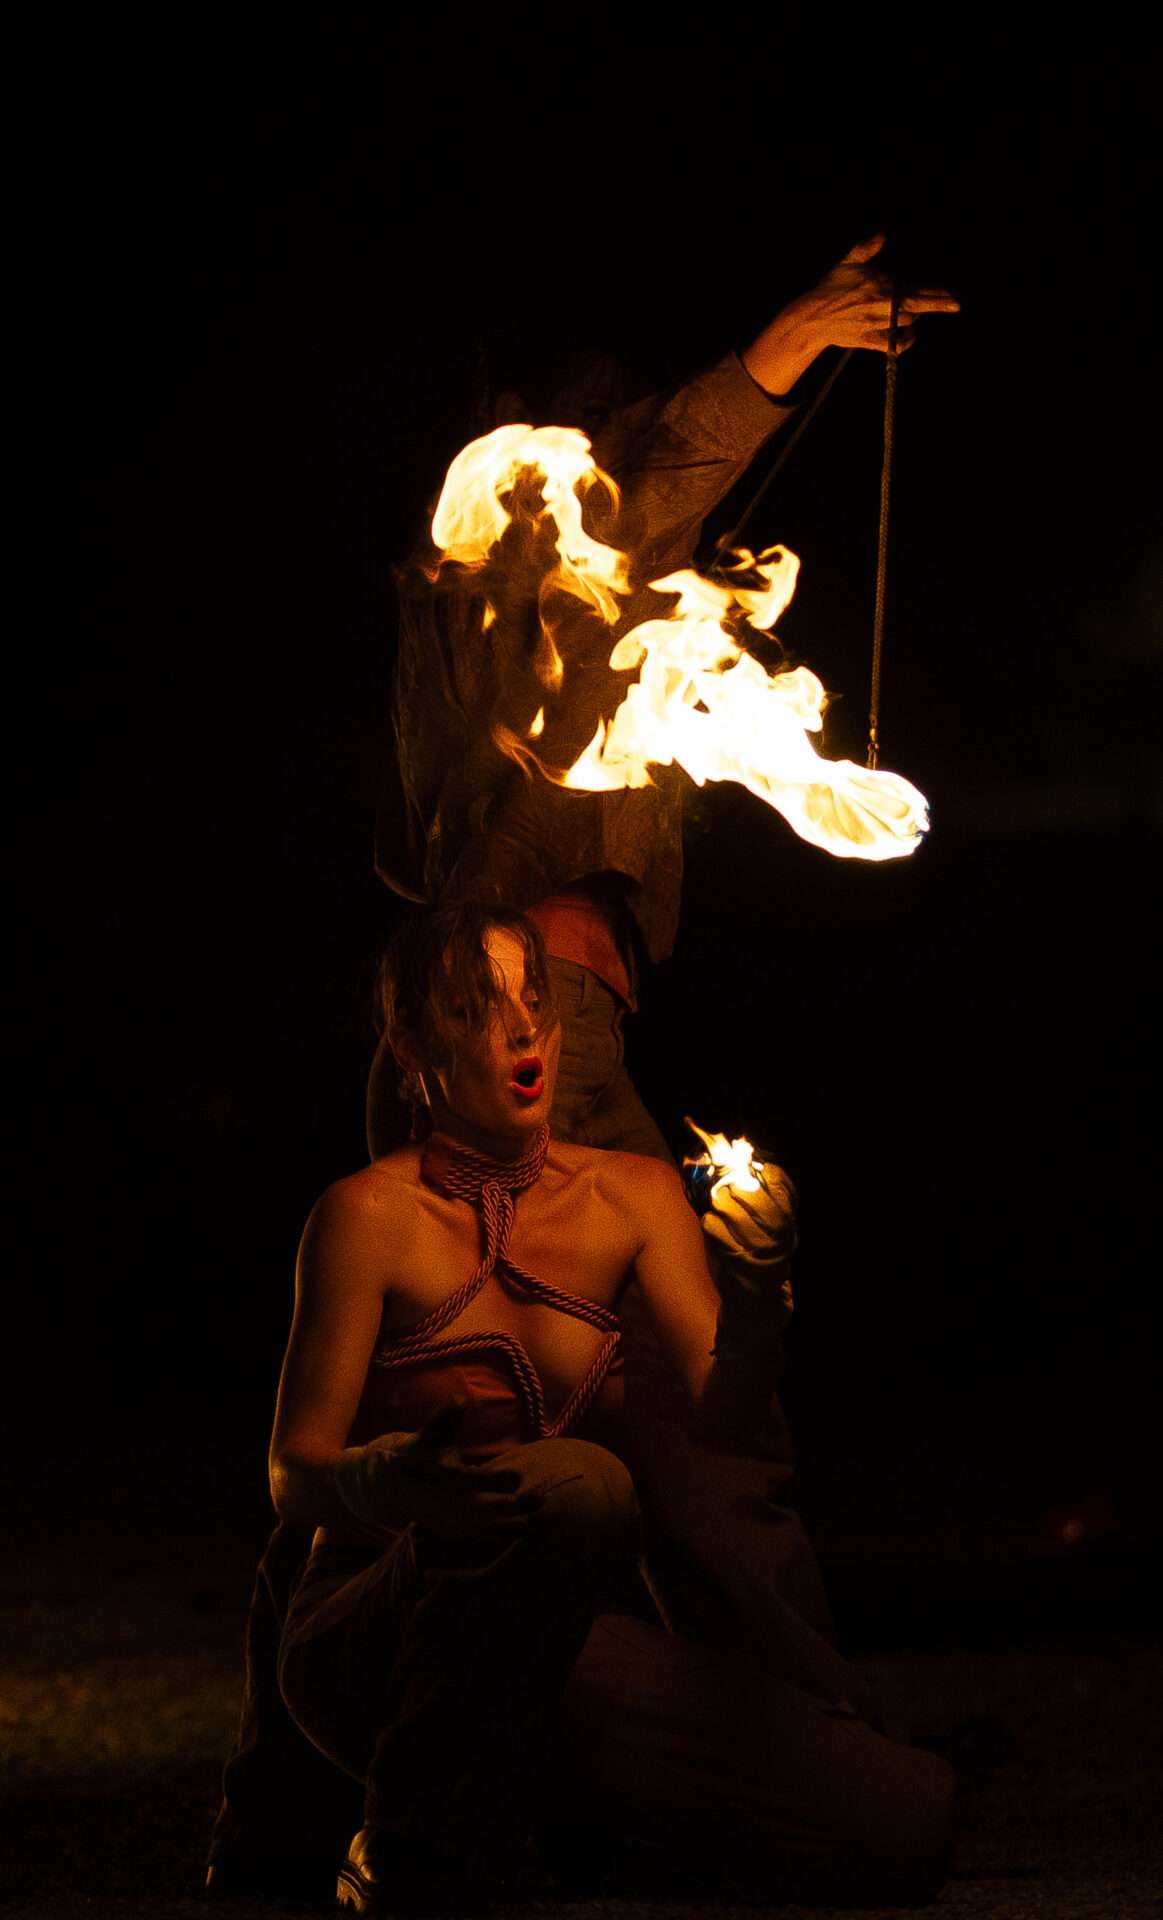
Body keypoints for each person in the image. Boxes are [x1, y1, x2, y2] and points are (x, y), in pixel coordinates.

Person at [211, 903, 953, 1911]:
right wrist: (385, 1481)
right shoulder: (363, 1215)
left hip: (549, 1644)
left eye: (535, 1000)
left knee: (899, 1822)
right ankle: (403, 1840)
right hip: (369, 1629)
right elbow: (292, 1474)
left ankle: (539, 1825)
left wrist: (759, 1296)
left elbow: (722, 1422)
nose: (524, 1031)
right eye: (479, 1010)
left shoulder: (635, 1197)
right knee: (581, 1486)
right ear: (414, 1047)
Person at [368, 236, 959, 1163]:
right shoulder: (509, 550)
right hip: (520, 994)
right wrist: (791, 340)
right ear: (514, 422)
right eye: (598, 414)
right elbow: (667, 471)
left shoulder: (565, 586)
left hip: (567, 995)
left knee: (695, 1270)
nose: (614, 446)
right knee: (510, 1275)